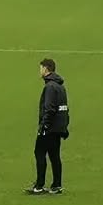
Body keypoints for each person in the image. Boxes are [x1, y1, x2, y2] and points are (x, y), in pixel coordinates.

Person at [26, 58, 69, 195]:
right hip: (58, 128)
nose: (40, 71)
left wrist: (44, 126)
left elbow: (49, 109)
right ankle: (57, 185)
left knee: (39, 153)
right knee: (54, 155)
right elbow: (64, 109)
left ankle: (39, 186)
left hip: (49, 128)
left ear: (46, 69)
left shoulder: (50, 87)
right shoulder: (60, 87)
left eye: (41, 68)